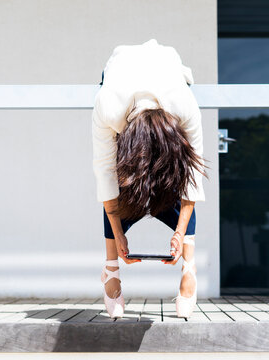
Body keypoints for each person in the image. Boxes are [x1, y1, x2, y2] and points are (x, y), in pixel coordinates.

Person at [92, 38, 208, 319]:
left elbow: (193, 177)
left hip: (168, 66)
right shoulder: (107, 107)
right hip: (119, 71)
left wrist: (179, 234)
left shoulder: (186, 106)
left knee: (174, 177)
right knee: (122, 183)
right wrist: (118, 236)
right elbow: (105, 173)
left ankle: (189, 271)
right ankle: (111, 270)